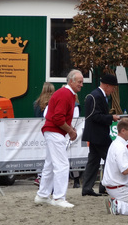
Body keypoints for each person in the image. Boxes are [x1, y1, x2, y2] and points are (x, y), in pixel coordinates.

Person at [34, 69, 83, 208]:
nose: (81, 85)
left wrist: (70, 130)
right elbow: (57, 118)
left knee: (50, 164)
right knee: (62, 165)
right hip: (54, 132)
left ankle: (43, 195)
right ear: (71, 81)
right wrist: (71, 131)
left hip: (53, 131)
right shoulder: (65, 94)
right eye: (79, 82)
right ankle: (58, 198)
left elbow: (58, 117)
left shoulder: (67, 94)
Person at [82, 74, 121, 197]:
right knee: (111, 159)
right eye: (113, 88)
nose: (113, 90)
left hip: (96, 135)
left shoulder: (97, 95)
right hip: (99, 135)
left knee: (93, 161)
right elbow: (94, 116)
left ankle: (87, 188)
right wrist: (111, 117)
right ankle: (104, 187)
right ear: (107, 85)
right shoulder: (97, 96)